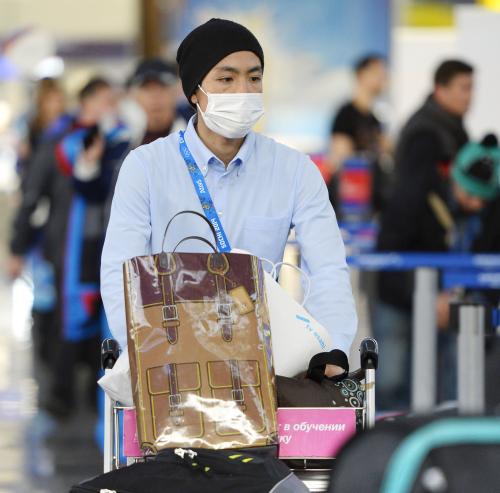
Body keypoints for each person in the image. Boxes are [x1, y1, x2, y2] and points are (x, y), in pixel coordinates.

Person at [101, 18, 357, 378]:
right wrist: (144, 350)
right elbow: (121, 270)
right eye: (226, 78)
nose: (243, 90)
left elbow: (328, 268)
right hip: (170, 359)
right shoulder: (146, 167)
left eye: (254, 77)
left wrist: (330, 350)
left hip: (265, 363)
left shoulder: (294, 169)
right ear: (194, 91)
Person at [10, 76, 130, 417]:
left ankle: (98, 398)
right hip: (67, 247)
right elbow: (33, 195)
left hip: (109, 246)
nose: (111, 108)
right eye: (104, 100)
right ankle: (62, 396)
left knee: (107, 323)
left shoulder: (122, 143)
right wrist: (18, 247)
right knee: (67, 320)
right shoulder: (59, 143)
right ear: (87, 104)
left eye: (113, 100)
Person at [374, 59, 476, 409]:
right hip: (404, 269)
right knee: (394, 380)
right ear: (441, 89)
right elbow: (410, 206)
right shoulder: (427, 135)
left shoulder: (451, 131)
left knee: (428, 375)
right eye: (463, 87)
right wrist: (415, 285)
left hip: (426, 273)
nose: (470, 96)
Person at [328, 54, 391, 216]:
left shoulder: (375, 120)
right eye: (377, 72)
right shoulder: (345, 115)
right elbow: (340, 161)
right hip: (351, 207)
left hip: (372, 206)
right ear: (361, 75)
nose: (383, 78)